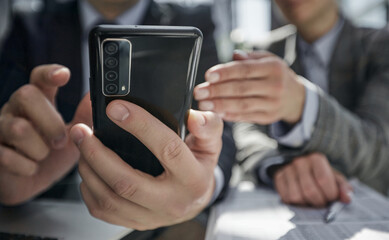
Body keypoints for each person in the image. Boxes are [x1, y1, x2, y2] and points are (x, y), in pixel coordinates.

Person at [0, 0, 236, 230]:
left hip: (164, 209)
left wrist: (204, 187)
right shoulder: (29, 24)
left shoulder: (194, 21)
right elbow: (8, 119)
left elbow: (218, 121)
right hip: (47, 212)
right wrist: (12, 162)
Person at [194, 0, 389, 207]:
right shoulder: (264, 49)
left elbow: (379, 144)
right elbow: (245, 131)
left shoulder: (381, 46)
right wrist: (276, 163)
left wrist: (303, 104)